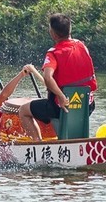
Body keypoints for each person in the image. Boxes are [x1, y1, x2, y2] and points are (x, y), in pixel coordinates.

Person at [17, 13, 96, 141]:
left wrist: (60, 96)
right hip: (88, 105)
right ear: (69, 29)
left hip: (61, 107)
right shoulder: (82, 46)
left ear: (53, 33)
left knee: (23, 110)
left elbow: (48, 77)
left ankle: (38, 146)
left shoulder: (53, 53)